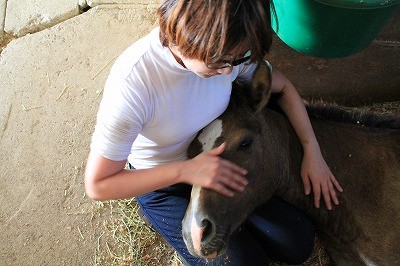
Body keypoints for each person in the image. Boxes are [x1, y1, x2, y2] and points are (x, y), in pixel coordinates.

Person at [84, 0, 343, 265]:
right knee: (244, 262)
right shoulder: (134, 84)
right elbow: (98, 184)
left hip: (219, 161)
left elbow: (283, 88)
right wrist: (186, 171)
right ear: (190, 36)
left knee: (297, 242)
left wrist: (312, 150)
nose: (229, 70)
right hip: (164, 182)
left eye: (238, 58)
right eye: (221, 61)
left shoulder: (226, 56)